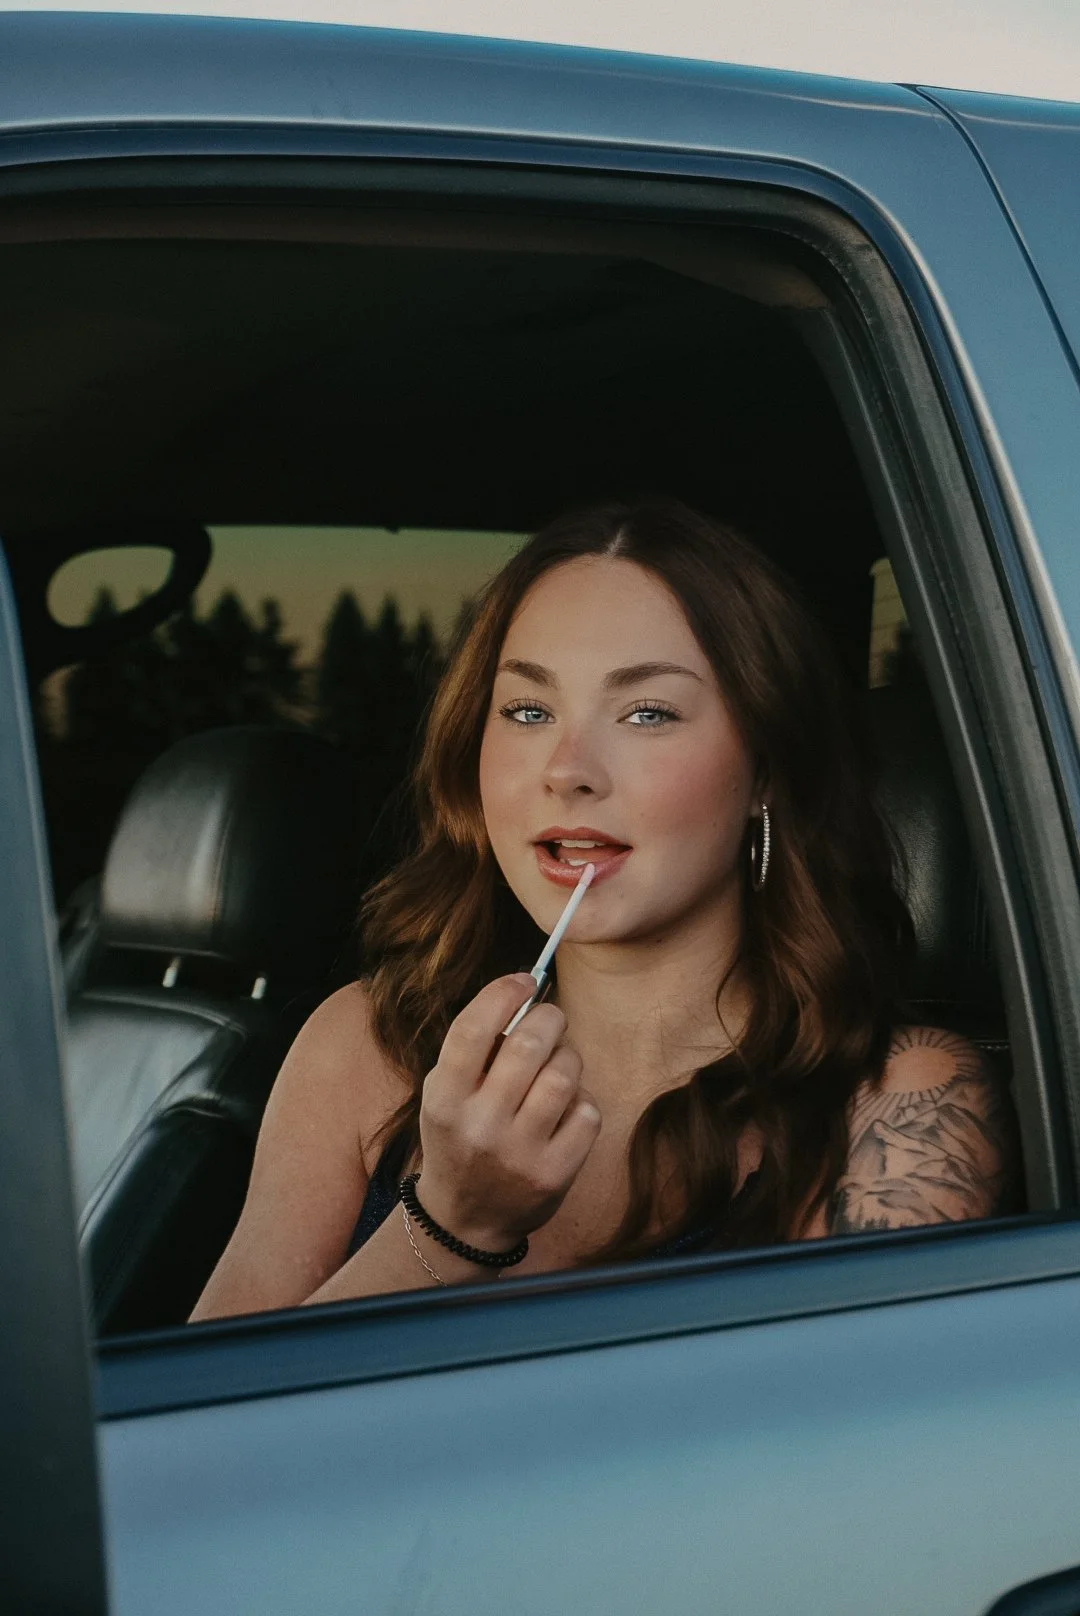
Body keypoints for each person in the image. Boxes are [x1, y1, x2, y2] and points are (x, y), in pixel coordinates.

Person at [191, 499, 1018, 1320]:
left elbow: (852, 1440)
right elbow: (202, 1436)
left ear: (767, 770)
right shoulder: (368, 1045)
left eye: (647, 712)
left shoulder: (895, 1100)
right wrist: (447, 1229)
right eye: (527, 710)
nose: (567, 770)